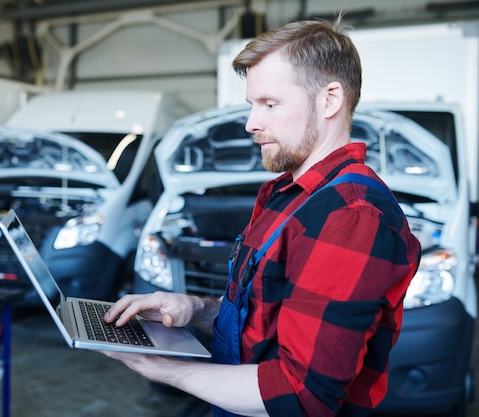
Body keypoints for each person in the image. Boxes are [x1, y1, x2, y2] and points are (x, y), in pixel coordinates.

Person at [102, 16, 421, 417]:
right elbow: (264, 320)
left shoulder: (350, 216)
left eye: (270, 104)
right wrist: (194, 308)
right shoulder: (286, 195)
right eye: (252, 105)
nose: (252, 124)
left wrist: (162, 367)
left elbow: (302, 395)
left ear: (330, 99)